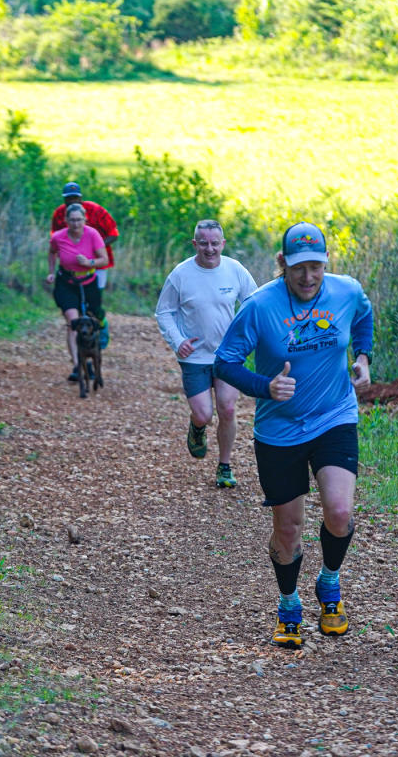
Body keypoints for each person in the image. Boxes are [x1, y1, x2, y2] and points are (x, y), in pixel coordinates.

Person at [214, 221, 373, 648]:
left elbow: (364, 315)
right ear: (282, 263)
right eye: (298, 267)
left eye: (316, 266)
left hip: (334, 416)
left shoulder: (345, 291)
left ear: (326, 263)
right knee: (289, 529)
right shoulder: (259, 306)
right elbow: (225, 363)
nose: (308, 277)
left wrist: (363, 357)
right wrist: (263, 386)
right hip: (279, 430)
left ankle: (330, 584)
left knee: (339, 513)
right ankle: (288, 603)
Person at [155, 219, 259, 489]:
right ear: (195, 244)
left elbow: (253, 302)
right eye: (204, 243)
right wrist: (178, 341)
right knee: (203, 414)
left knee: (227, 408)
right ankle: (197, 427)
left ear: (223, 244)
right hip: (194, 357)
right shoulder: (180, 274)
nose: (210, 249)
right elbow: (164, 312)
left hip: (228, 355)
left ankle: (225, 466)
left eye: (215, 243)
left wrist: (246, 338)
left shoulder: (235, 270)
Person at [46, 203, 109, 382]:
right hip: (66, 282)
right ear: (66, 221)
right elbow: (51, 253)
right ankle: (77, 365)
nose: (75, 224)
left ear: (85, 219)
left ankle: (99, 339)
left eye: (79, 220)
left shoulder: (92, 234)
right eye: (72, 220)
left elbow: (103, 259)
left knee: (93, 316)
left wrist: (89, 262)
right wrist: (51, 272)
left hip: (88, 282)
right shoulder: (58, 237)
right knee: (73, 321)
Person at [52, 181, 119, 296]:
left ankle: (96, 313)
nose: (72, 201)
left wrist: (94, 248)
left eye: (75, 198)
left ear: (80, 198)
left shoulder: (95, 210)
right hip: (73, 264)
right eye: (69, 198)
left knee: (96, 295)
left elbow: (113, 234)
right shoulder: (59, 213)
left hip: (98, 260)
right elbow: (54, 239)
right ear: (64, 199)